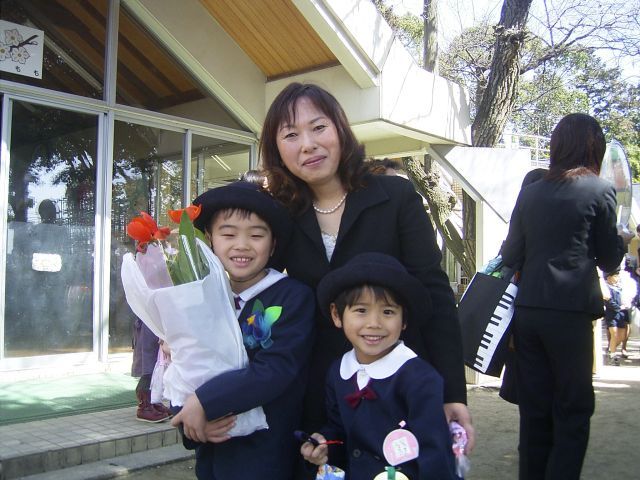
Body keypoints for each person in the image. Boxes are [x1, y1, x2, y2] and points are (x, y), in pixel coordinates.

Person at [256, 82, 474, 468]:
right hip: (323, 394)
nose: (307, 144)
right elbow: (260, 289)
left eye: (318, 127)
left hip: (400, 389)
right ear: (277, 151)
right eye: (290, 135)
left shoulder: (396, 197)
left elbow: (435, 294)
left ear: (340, 129)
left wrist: (453, 390)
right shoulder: (280, 215)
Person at [501, 113, 627, 479]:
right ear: (594, 148)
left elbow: (511, 253)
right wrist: (622, 240)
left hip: (528, 312)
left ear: (556, 146)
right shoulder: (599, 190)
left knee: (535, 409)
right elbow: (609, 259)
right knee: (573, 408)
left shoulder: (531, 192)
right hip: (570, 311)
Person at [170, 180, 316, 479]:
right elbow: (183, 367)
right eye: (228, 234)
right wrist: (190, 421)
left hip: (266, 454)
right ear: (209, 239)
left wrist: (205, 401)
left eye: (256, 235)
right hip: (212, 452)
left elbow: (276, 369)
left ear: (273, 244)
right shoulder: (201, 298)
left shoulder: (292, 297)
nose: (242, 245)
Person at [300, 252, 459, 479]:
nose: (374, 323)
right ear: (337, 314)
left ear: (404, 319)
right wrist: (324, 445)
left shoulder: (419, 378)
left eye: (388, 312)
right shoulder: (339, 372)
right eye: (361, 310)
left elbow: (436, 454)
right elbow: (340, 432)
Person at [131, 320, 172, 422]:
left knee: (156, 363)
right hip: (149, 324)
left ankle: (153, 402)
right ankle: (144, 406)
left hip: (155, 324)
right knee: (149, 365)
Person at [602, 268, 630, 365]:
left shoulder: (620, 287)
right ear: (609, 277)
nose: (617, 278)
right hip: (611, 314)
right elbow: (608, 301)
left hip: (621, 314)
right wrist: (618, 307)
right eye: (615, 276)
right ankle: (613, 355)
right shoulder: (606, 288)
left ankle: (611, 350)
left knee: (621, 336)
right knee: (614, 334)